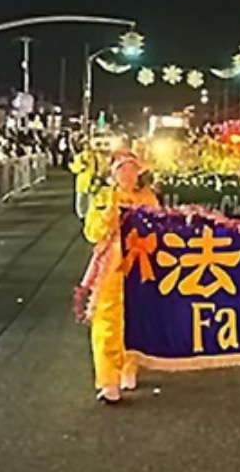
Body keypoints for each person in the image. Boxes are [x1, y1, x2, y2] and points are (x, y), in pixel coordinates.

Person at [81, 154, 159, 404]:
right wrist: (108, 218)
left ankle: (129, 366)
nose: (127, 175)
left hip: (140, 268)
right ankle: (108, 380)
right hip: (111, 270)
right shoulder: (105, 197)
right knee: (107, 322)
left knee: (136, 318)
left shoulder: (148, 197)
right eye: (122, 170)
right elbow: (92, 232)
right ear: (114, 174)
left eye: (132, 170)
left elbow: (160, 228)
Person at [69, 141, 102, 220]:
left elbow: (99, 167)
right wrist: (81, 167)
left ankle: (90, 213)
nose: (87, 147)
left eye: (88, 145)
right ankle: (81, 215)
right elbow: (73, 168)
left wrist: (98, 176)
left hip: (92, 180)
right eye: (85, 145)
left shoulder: (94, 156)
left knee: (91, 199)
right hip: (82, 181)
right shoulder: (79, 157)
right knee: (80, 199)